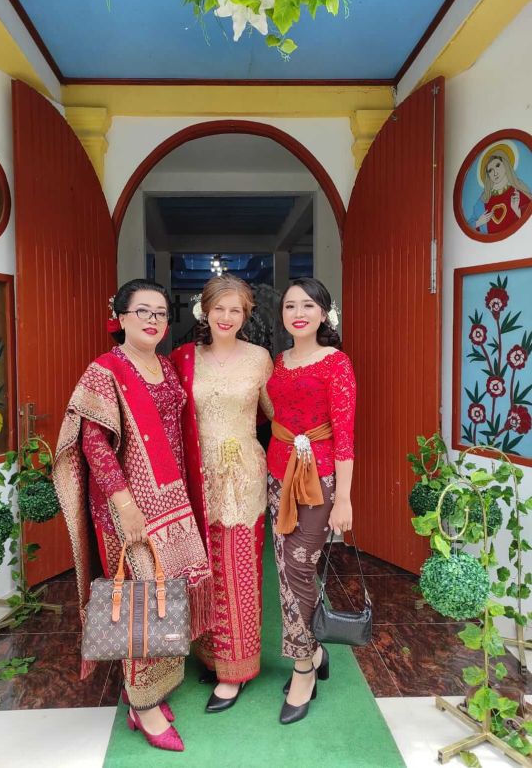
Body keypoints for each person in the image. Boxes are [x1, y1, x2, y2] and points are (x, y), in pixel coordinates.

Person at [53, 279, 213, 752]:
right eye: (142, 311)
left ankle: (150, 688)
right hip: (129, 507)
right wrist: (125, 503)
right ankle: (142, 709)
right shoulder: (104, 370)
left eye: (161, 313)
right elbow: (92, 444)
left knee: (167, 594)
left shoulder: (164, 364)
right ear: (120, 318)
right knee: (141, 599)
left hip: (172, 502)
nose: (153, 320)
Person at [171, 274, 273, 713]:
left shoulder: (260, 358)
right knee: (203, 568)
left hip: (242, 475)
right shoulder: (183, 358)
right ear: (204, 311)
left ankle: (235, 671)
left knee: (238, 570)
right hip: (198, 474)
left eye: (236, 310)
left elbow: (277, 414)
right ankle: (210, 655)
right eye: (219, 308)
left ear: (245, 314)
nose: (226, 317)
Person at [266, 277, 356, 725]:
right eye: (289, 306)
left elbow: (345, 435)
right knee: (284, 565)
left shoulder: (337, 363)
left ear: (324, 313)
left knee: (301, 566)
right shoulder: (277, 363)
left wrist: (346, 499)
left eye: (307, 305)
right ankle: (315, 652)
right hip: (277, 474)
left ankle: (303, 665)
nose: (298, 312)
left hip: (320, 480)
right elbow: (271, 411)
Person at [469, 148, 531, 234]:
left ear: (505, 165)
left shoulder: (518, 190)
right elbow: (469, 226)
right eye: (490, 170)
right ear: (488, 175)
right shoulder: (483, 200)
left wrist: (516, 210)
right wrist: (478, 222)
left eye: (497, 165)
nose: (495, 173)